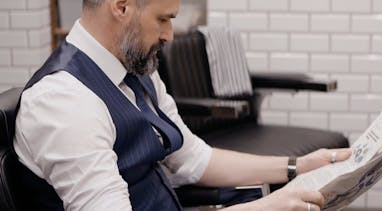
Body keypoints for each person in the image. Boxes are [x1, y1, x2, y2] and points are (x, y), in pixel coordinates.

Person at [13, 0, 352, 210]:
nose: (171, 35)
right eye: (163, 18)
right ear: (121, 6)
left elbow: (194, 158)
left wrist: (299, 166)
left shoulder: (136, 69)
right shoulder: (63, 102)